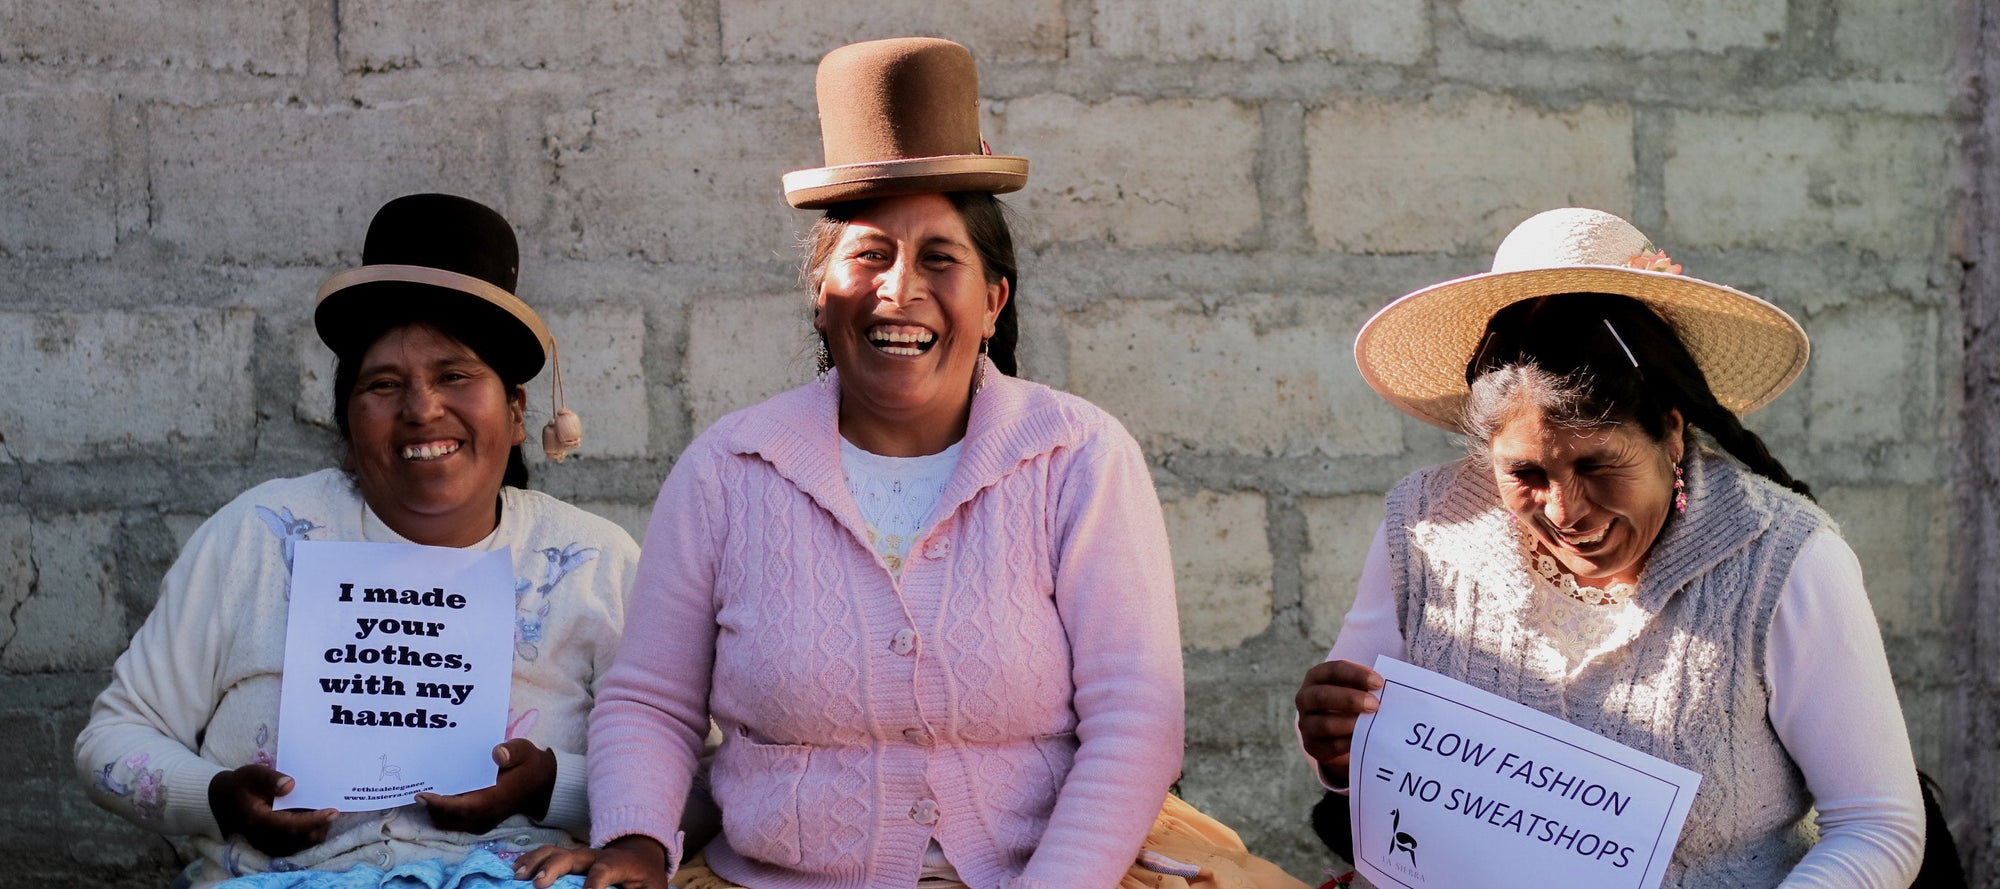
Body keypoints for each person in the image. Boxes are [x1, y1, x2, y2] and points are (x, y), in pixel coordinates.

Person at [516, 37, 1303, 889]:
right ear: (821, 295)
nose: (899, 289)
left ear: (993, 300)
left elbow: (1136, 718)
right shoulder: (729, 470)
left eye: (939, 257)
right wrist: (636, 838)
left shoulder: (1077, 457)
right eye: (868, 255)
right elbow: (652, 702)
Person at [1294, 207, 1926, 887]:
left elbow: (1878, 826)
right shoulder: (1425, 530)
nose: (1565, 509)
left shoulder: (1785, 562)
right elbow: (1359, 762)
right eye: (1526, 474)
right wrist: (1335, 746)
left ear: (1672, 435)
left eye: (1597, 467)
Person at [75, 193, 638, 889]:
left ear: (518, 411)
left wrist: (551, 786)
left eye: (455, 375)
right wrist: (219, 797)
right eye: (384, 383)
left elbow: (700, 781)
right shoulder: (259, 537)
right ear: (347, 422)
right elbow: (108, 742)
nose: (421, 408)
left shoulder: (593, 564)